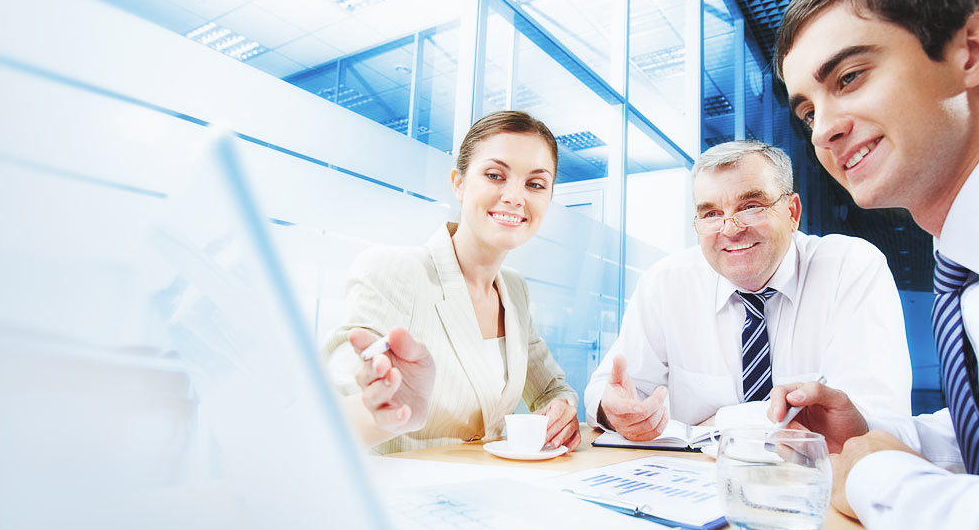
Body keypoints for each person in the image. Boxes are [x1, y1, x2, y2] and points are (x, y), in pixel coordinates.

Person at [774, 0, 979, 530]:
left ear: (972, 50)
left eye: (850, 77)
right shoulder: (968, 260)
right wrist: (873, 438)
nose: (822, 133)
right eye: (808, 113)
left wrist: (881, 478)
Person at [582, 140, 910, 440]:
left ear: (792, 213)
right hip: (695, 477)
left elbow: (871, 416)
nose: (730, 229)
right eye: (711, 214)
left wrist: (719, 422)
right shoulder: (666, 282)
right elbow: (608, 391)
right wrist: (615, 411)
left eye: (751, 206)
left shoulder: (849, 268)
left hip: (815, 477)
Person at [323, 110, 579, 455]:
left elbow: (551, 389)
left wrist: (562, 411)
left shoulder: (514, 290)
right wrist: (385, 412)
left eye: (535, 184)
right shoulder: (396, 271)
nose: (515, 197)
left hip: (489, 485)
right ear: (459, 183)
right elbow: (328, 416)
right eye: (495, 175)